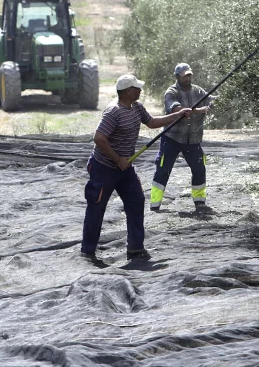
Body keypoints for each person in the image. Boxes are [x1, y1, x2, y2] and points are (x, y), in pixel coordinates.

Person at [81, 74, 191, 262]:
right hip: (104, 167)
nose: (140, 90)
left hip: (125, 170)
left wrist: (178, 115)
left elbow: (152, 122)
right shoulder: (113, 112)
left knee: (136, 201)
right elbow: (99, 138)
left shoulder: (137, 108)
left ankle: (135, 249)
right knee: (97, 208)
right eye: (137, 88)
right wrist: (118, 159)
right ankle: (88, 251)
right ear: (128, 91)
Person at [150, 63, 213, 214]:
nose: (188, 78)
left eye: (189, 75)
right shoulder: (171, 92)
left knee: (199, 169)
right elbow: (177, 109)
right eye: (184, 76)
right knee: (163, 169)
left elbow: (212, 101)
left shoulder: (199, 91)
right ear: (177, 77)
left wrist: (213, 103)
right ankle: (155, 205)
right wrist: (201, 110)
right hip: (172, 138)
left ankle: (200, 203)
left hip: (193, 140)